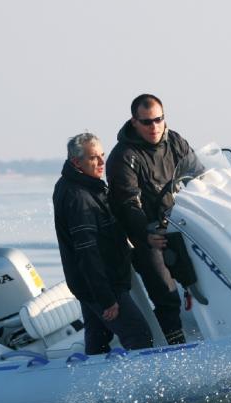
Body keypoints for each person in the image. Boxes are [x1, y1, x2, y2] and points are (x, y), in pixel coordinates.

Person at [106, 94, 199, 346]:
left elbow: (197, 175)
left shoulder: (175, 141)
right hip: (145, 234)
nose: (154, 127)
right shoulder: (124, 156)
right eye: (147, 122)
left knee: (198, 277)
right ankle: (175, 346)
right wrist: (146, 234)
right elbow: (128, 204)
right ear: (134, 122)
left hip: (179, 224)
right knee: (166, 294)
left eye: (158, 119)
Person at [53, 132, 153, 354]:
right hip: (102, 285)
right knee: (139, 335)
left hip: (90, 284)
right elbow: (87, 252)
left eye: (102, 156)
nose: (101, 163)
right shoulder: (79, 197)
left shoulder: (84, 186)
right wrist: (106, 298)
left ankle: (89, 385)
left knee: (98, 340)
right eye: (93, 158)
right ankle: (150, 388)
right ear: (76, 162)